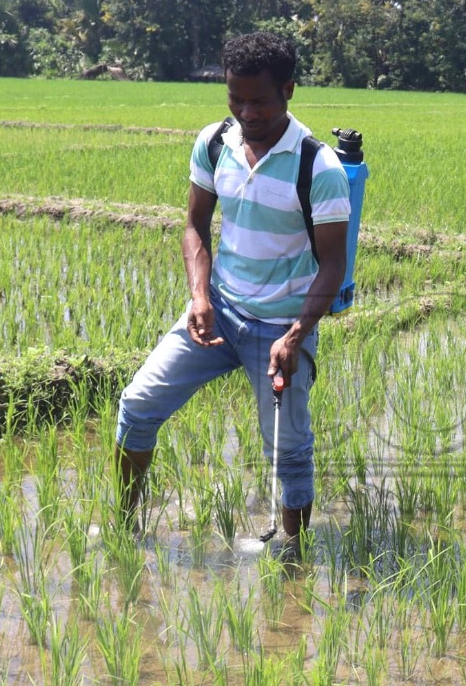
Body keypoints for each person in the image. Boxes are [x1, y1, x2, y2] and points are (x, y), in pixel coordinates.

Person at [115, 31, 351, 562]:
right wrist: (199, 297)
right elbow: (195, 225)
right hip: (218, 311)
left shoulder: (319, 167)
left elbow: (333, 264)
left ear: (288, 90)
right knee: (137, 406)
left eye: (259, 100)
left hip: (280, 327)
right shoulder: (215, 143)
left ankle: (293, 556)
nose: (247, 112)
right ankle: (123, 526)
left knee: (289, 451)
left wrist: (296, 336)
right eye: (235, 98)